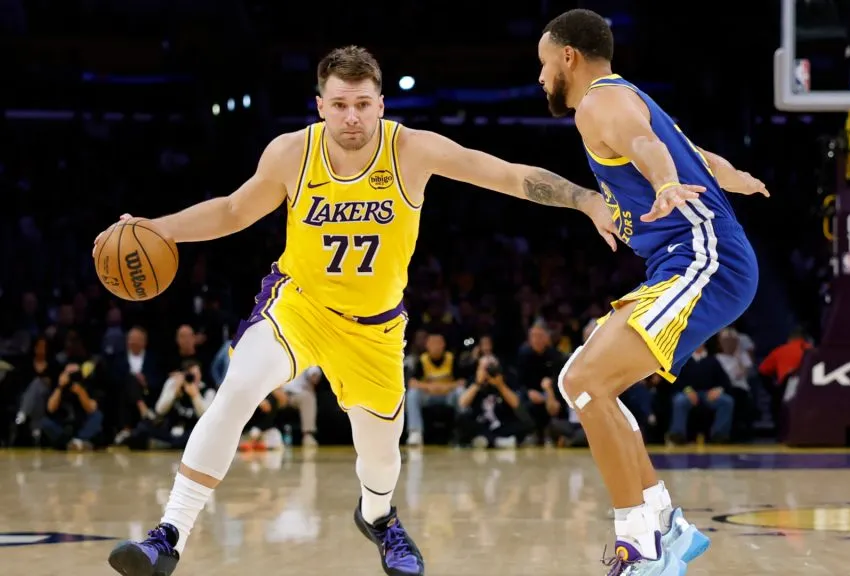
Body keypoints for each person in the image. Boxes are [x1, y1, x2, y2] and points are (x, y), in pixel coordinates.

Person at [98, 45, 615, 576]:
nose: (352, 116)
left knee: (380, 461)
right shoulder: (291, 153)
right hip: (299, 307)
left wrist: (585, 200)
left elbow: (504, 174)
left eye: (363, 104)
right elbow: (233, 210)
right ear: (320, 105)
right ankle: (169, 536)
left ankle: (379, 518)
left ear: (382, 105)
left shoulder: (411, 150)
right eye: (340, 104)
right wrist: (160, 228)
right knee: (237, 389)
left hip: (374, 329)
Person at [537, 9, 768, 576]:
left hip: (704, 260)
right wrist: (732, 177)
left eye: (543, 63)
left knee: (588, 384)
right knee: (583, 385)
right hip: (685, 261)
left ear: (568, 56)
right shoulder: (623, 97)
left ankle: (640, 543)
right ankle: (665, 523)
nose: (541, 77)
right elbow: (698, 156)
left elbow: (647, 145)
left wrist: (666, 184)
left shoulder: (600, 104)